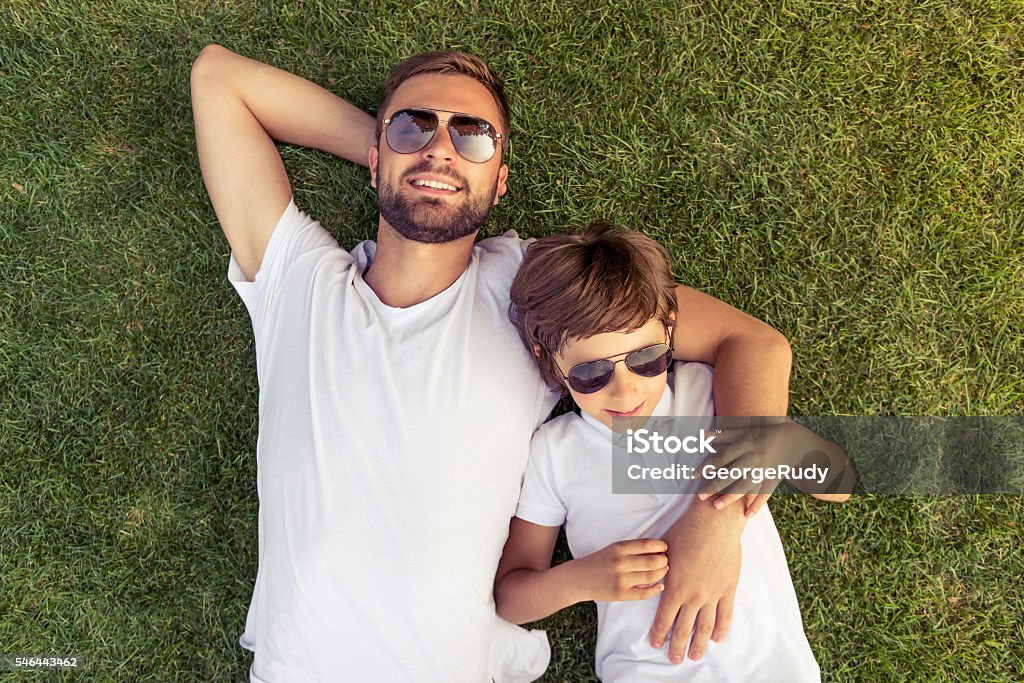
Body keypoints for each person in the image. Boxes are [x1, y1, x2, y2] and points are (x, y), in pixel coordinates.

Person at [190, 45, 795, 682]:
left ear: (502, 180)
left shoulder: (531, 292)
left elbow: (751, 345)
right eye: (412, 125)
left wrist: (718, 517)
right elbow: (219, 78)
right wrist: (414, 160)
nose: (442, 148)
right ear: (373, 154)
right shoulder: (299, 282)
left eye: (473, 135)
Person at [496, 224, 851, 681]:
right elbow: (510, 598)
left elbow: (840, 484)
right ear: (549, 359)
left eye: (646, 360)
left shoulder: (709, 394)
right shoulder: (555, 453)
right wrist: (581, 579)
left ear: (669, 330)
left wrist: (780, 442)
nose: (625, 392)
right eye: (590, 374)